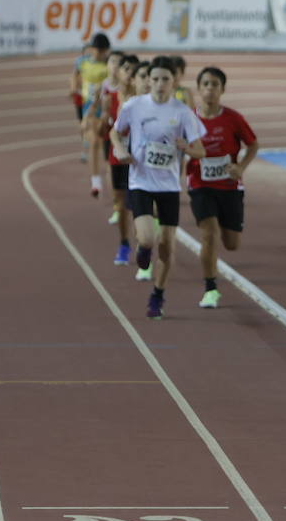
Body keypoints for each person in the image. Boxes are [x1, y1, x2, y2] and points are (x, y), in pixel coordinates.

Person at [111, 62, 207, 319]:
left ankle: (158, 294)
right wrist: (119, 150)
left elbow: (201, 151)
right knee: (146, 239)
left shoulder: (183, 112)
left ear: (173, 82)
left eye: (166, 78)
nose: (161, 83)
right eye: (156, 78)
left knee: (167, 247)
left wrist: (185, 146)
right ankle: (143, 251)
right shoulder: (134, 106)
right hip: (141, 181)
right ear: (149, 81)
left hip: (168, 186)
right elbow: (115, 132)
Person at [187, 67, 260, 309]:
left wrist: (241, 168)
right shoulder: (189, 120)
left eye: (215, 84)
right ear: (199, 89)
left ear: (222, 89)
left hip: (229, 186)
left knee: (231, 244)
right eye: (205, 84)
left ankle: (225, 228)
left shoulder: (233, 118)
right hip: (200, 185)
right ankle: (210, 288)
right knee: (208, 236)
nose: (210, 89)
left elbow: (253, 144)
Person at [105, 55, 141, 264]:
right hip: (118, 154)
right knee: (120, 203)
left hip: (138, 158)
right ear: (119, 72)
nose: (129, 74)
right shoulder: (113, 95)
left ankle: (142, 245)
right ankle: (124, 244)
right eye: (125, 69)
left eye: (133, 71)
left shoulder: (143, 100)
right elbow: (111, 126)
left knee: (137, 204)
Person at [70, 33, 111, 191]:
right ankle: (95, 180)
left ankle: (109, 169)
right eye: (96, 49)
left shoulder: (109, 65)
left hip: (106, 105)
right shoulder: (82, 62)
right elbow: (75, 75)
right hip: (88, 103)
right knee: (92, 138)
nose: (98, 53)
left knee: (104, 140)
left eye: (101, 50)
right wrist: (74, 89)